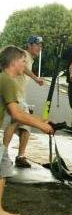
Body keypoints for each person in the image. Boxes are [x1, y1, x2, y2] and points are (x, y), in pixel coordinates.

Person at [0, 45, 54, 215]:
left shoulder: (7, 80)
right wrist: (41, 125)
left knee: (4, 167)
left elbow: (19, 113)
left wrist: (40, 121)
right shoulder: (7, 81)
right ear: (14, 62)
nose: (25, 65)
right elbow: (16, 114)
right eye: (23, 62)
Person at [3, 35, 45, 169]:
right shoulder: (25, 54)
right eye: (37, 44)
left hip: (19, 96)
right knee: (14, 123)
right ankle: (4, 154)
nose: (40, 47)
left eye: (40, 45)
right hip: (15, 96)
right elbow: (24, 68)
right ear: (29, 45)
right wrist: (35, 78)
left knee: (24, 127)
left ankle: (19, 156)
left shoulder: (28, 57)